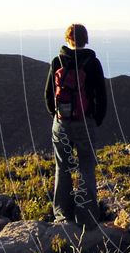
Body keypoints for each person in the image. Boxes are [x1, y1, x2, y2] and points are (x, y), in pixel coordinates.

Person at [44, 24, 107, 227]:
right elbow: (101, 95)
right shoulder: (92, 63)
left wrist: (57, 116)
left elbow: (47, 94)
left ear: (67, 39)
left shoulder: (57, 60)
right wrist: (95, 118)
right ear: (85, 39)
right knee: (86, 166)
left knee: (62, 167)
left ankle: (63, 216)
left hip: (61, 123)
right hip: (84, 122)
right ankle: (87, 218)